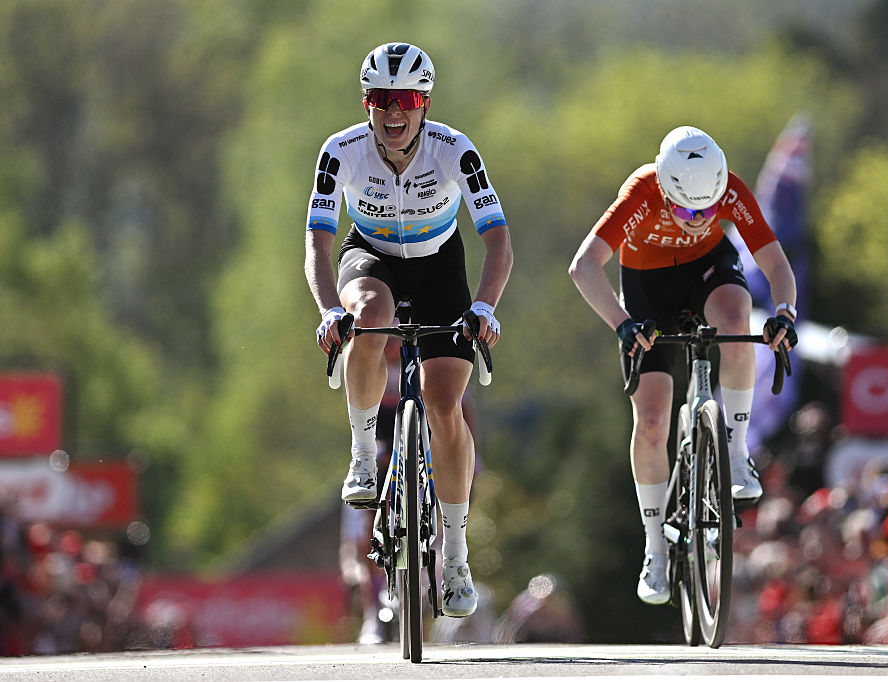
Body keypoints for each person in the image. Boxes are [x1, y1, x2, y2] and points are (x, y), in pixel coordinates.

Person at [304, 42, 513, 618]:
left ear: (425, 104)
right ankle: (362, 455)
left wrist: (485, 306)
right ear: (366, 103)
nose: (394, 112)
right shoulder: (341, 151)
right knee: (369, 316)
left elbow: (498, 239)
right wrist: (329, 310)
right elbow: (318, 244)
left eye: (407, 100)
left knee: (445, 404)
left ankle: (455, 555)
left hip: (440, 266)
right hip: (370, 257)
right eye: (381, 99)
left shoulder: (455, 150)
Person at [569, 126, 798, 605]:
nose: (699, 218)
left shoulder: (729, 188)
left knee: (736, 322)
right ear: (666, 190)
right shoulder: (642, 190)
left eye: (709, 210)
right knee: (653, 421)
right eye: (688, 211)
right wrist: (622, 324)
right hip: (647, 289)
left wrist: (784, 313)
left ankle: (735, 451)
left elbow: (777, 264)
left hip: (707, 270)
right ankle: (655, 547)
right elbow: (584, 265)